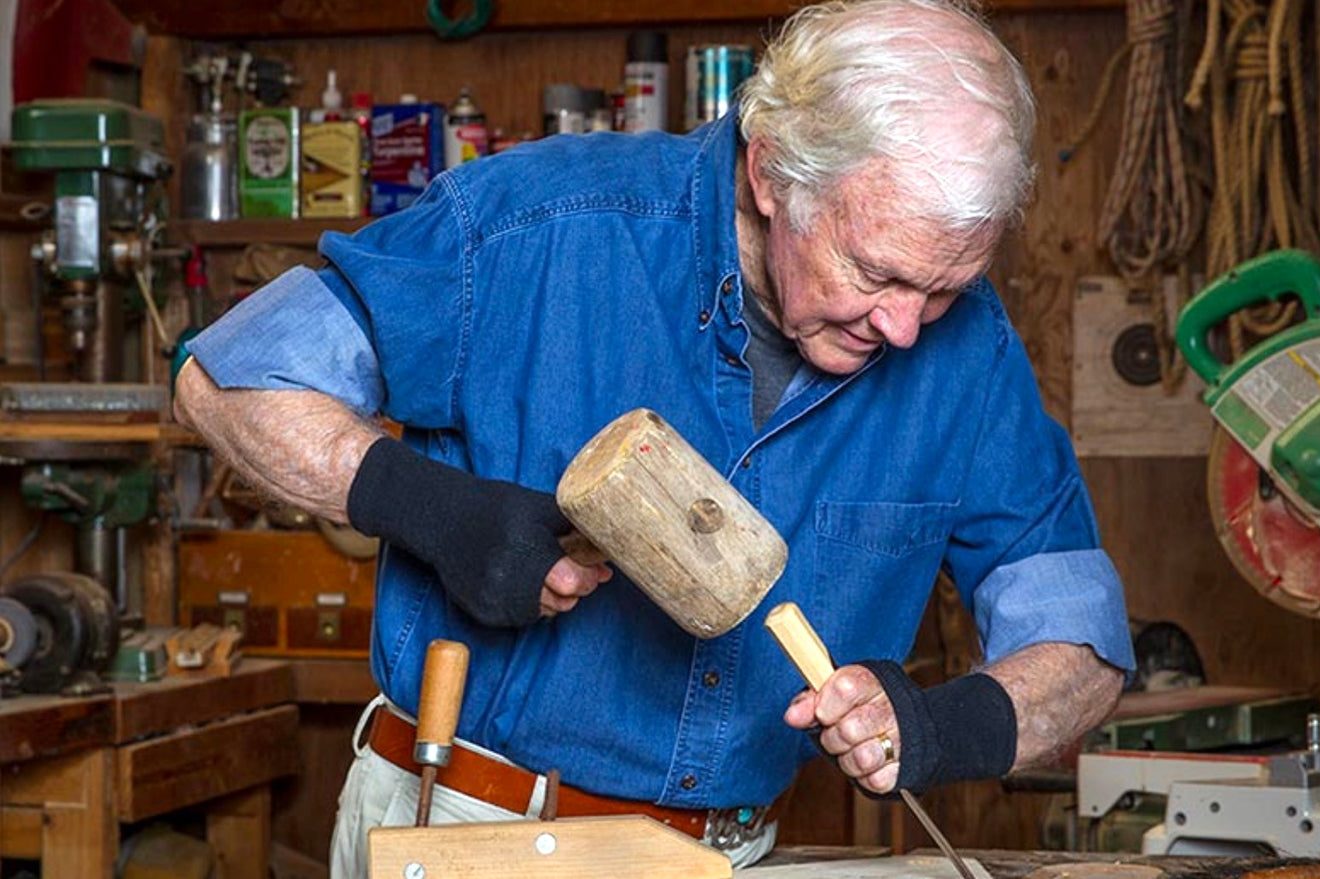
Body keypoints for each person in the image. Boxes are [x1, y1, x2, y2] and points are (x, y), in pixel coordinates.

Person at [173, 0, 1134, 874]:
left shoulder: (965, 348)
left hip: (736, 853)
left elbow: (1080, 633)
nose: (906, 328)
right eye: (877, 272)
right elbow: (228, 375)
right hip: (467, 831)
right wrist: (428, 507)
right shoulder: (536, 227)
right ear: (770, 171)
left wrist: (944, 723)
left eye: (943, 288)